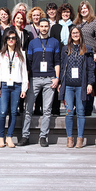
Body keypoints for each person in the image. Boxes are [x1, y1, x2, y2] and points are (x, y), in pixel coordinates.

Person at [18, 18, 60, 147]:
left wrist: (57, 78)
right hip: (34, 78)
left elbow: (57, 62)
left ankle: (43, 136)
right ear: (38, 28)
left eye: (46, 26)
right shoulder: (32, 43)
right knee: (28, 109)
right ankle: (25, 136)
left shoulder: (55, 42)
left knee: (47, 110)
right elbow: (28, 63)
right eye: (41, 26)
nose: (43, 28)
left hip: (49, 79)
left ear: (49, 27)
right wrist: (27, 80)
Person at [58, 26, 95, 148]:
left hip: (81, 86)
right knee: (68, 112)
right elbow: (63, 67)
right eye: (73, 33)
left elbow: (90, 68)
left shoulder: (87, 49)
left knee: (80, 112)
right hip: (68, 85)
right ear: (70, 35)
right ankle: (69, 138)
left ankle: (80, 138)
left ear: (80, 34)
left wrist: (90, 83)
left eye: (77, 33)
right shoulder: (65, 49)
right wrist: (60, 82)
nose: (75, 34)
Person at [0, 30, 28, 148]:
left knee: (13, 112)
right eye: (8, 38)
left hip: (16, 85)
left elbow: (24, 72)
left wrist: (24, 89)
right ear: (5, 40)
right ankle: (1, 137)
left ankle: (9, 137)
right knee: (3, 112)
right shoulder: (1, 54)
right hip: (4, 85)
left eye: (13, 38)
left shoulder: (21, 54)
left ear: (17, 40)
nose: (11, 40)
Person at [74, 0, 96, 116]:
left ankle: (88, 107)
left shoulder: (95, 22)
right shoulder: (77, 23)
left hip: (91, 56)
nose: (83, 10)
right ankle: (79, 106)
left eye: (85, 8)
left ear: (89, 9)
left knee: (90, 81)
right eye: (81, 9)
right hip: (79, 56)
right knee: (80, 80)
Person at [3, 11, 33, 115]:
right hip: (9, 60)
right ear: (14, 19)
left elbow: (28, 48)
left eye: (21, 19)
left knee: (21, 83)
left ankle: (19, 107)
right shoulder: (9, 30)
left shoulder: (26, 33)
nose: (19, 20)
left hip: (21, 60)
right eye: (17, 18)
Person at [26, 6, 45, 115]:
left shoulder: (45, 27)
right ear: (31, 17)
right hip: (32, 58)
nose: (36, 17)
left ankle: (38, 107)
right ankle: (29, 107)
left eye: (38, 15)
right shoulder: (28, 28)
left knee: (42, 84)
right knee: (33, 84)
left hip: (43, 59)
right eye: (34, 15)